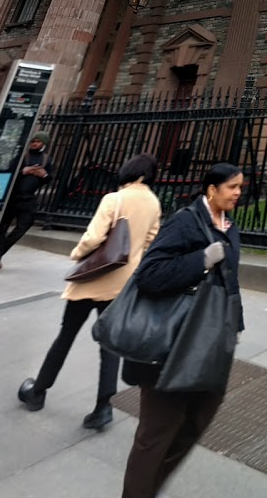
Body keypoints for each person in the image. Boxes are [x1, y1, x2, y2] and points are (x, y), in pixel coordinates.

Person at [106, 161, 246, 498]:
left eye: (242, 186)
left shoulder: (229, 224)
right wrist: (202, 259)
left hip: (210, 344)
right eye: (233, 187)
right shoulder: (187, 224)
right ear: (210, 188)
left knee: (194, 424)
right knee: (155, 435)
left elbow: (231, 283)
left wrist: (233, 328)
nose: (239, 192)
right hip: (171, 348)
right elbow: (149, 275)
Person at [18, 154, 162, 431]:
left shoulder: (114, 199)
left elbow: (94, 238)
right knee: (109, 345)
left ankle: (38, 391)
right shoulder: (154, 203)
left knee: (66, 335)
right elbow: (149, 241)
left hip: (94, 278)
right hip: (122, 283)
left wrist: (77, 254)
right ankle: (104, 407)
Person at [0, 135, 50, 275]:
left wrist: (43, 175)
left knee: (24, 226)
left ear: (44, 143)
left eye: (38, 141)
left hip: (28, 198)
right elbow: (6, 171)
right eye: (33, 141)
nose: (34, 144)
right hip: (11, 197)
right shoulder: (20, 155)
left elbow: (50, 178)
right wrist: (23, 171)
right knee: (1, 228)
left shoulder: (46, 159)